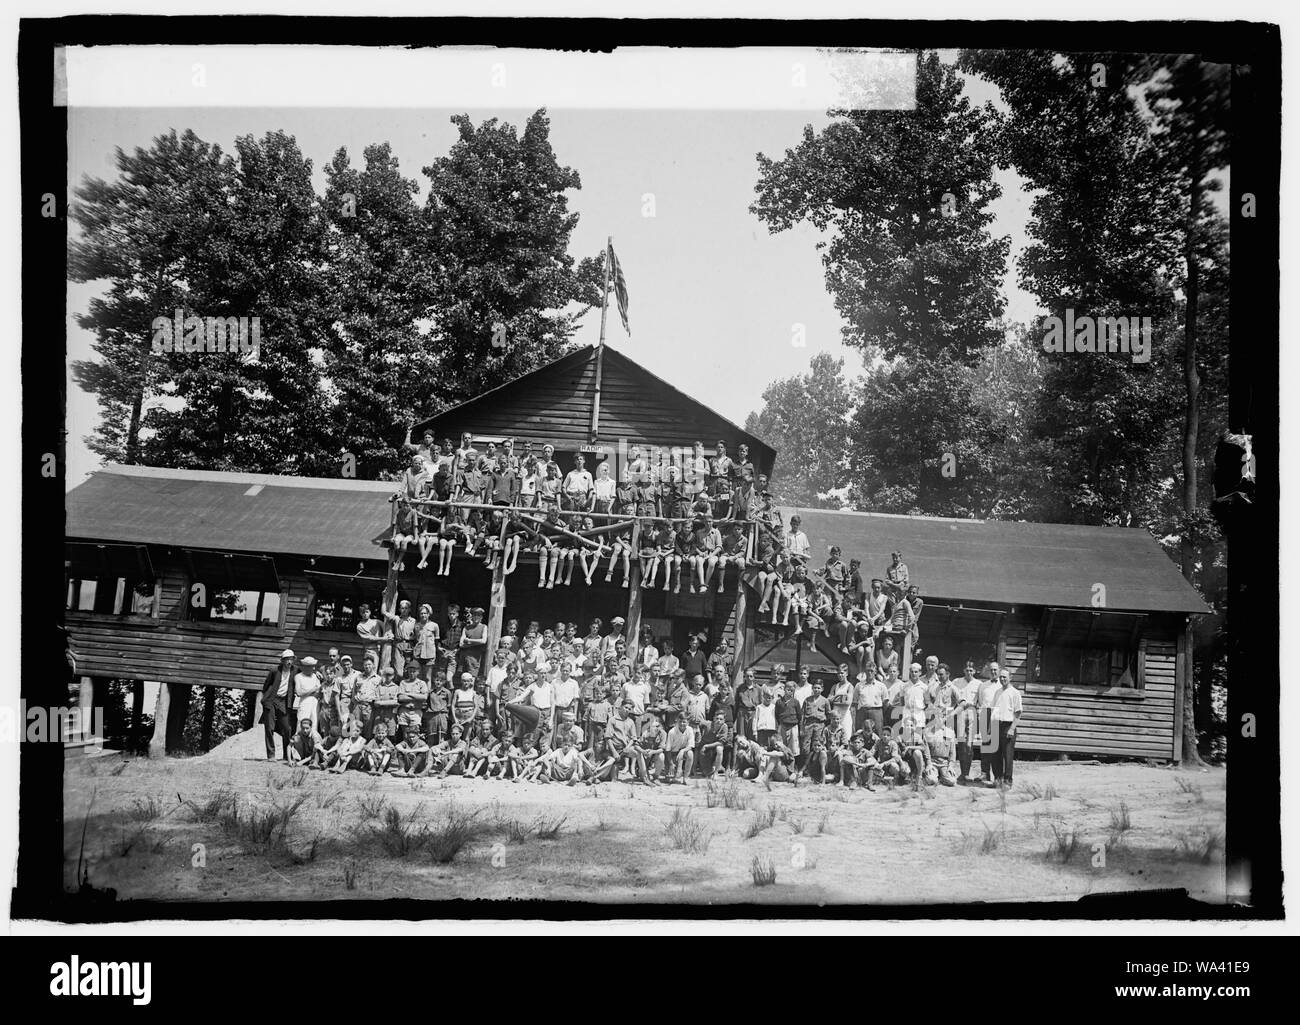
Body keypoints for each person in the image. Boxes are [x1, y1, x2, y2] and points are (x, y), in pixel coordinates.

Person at [262, 649, 297, 760]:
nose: (289, 662)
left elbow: (307, 673)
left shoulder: (296, 670)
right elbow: (266, 686)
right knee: (269, 728)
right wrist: (267, 697)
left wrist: (318, 673)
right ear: (282, 661)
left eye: (291, 659)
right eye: (286, 660)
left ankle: (286, 756)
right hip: (271, 700)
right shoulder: (275, 671)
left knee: (287, 729)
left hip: (284, 701)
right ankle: (271, 755)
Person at [990, 668, 1022, 787]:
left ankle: (1008, 780)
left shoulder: (1015, 693)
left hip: (1008, 726)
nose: (1002, 679)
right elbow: (993, 710)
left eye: (1005, 677)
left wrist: (1012, 728)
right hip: (996, 725)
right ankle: (998, 779)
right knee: (995, 754)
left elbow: (1018, 713)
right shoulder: (997, 692)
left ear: (1010, 678)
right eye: (1001, 677)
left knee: (1007, 755)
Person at [953, 661, 982, 784]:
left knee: (969, 744)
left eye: (971, 670)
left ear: (974, 671)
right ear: (963, 670)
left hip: (972, 713)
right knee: (961, 743)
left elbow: (980, 701)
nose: (969, 672)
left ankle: (967, 772)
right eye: (967, 670)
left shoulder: (979, 684)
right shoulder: (956, 682)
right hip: (960, 713)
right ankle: (962, 773)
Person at [978, 662, 1002, 784]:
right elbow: (981, 701)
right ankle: (985, 773)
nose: (993, 672)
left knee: (996, 746)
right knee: (985, 745)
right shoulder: (983, 685)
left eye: (995, 670)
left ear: (999, 670)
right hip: (985, 714)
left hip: (997, 715)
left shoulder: (1003, 685)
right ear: (988, 671)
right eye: (991, 670)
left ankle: (997, 776)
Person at [396, 661, 430, 744]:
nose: (411, 673)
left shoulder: (421, 683)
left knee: (415, 733)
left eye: (414, 671)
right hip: (404, 710)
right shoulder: (403, 683)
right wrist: (416, 696)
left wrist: (408, 694)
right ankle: (404, 752)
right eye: (410, 671)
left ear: (418, 672)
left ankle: (413, 752)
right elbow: (401, 698)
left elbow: (424, 697)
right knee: (405, 734)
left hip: (416, 711)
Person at [293, 656, 323, 734]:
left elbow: (318, 691)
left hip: (315, 702)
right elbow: (299, 692)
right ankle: (299, 743)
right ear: (305, 667)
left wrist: (306, 691)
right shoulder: (298, 677)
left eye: (313, 666)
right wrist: (312, 690)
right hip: (304, 702)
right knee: (302, 722)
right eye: (311, 666)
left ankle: (312, 744)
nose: (313, 668)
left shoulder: (316, 676)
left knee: (314, 723)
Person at [698, 712, 732, 777]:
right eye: (717, 718)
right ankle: (711, 768)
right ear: (714, 719)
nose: (718, 720)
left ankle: (716, 772)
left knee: (719, 749)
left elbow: (721, 742)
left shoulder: (724, 727)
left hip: (712, 747)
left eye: (721, 719)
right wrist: (700, 734)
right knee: (707, 774)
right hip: (704, 749)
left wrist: (707, 746)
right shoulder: (707, 724)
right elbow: (700, 723)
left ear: (724, 721)